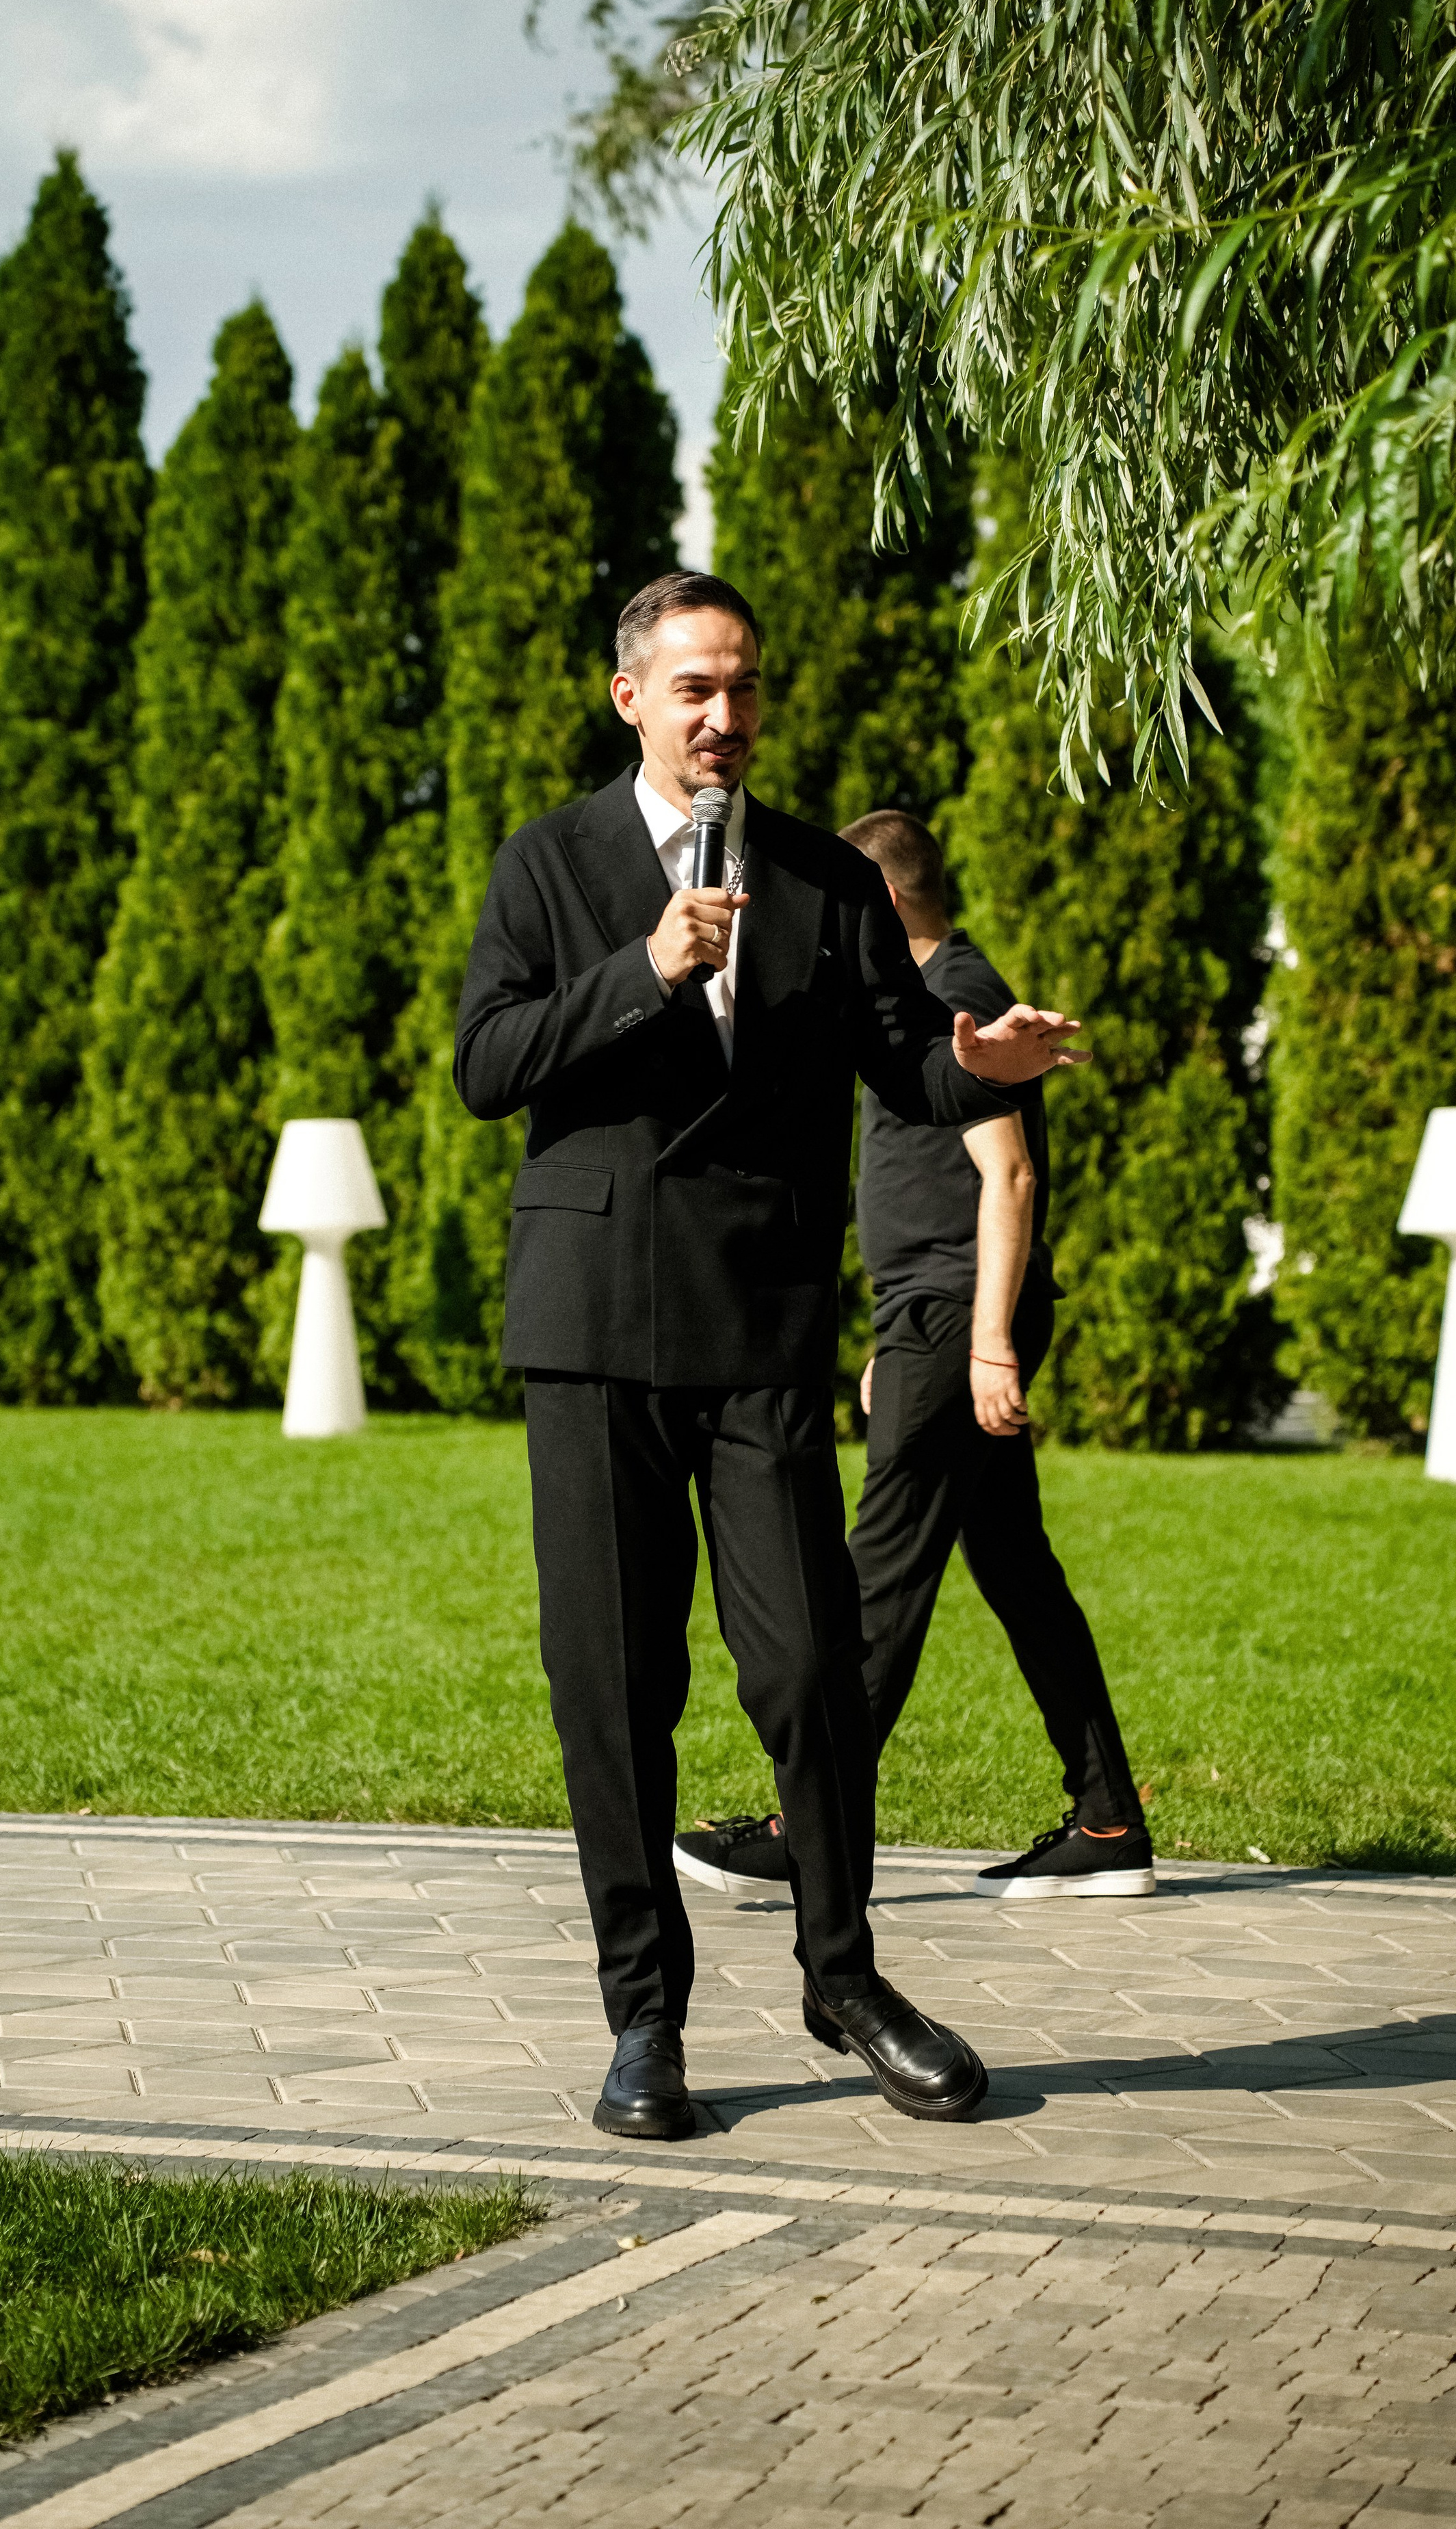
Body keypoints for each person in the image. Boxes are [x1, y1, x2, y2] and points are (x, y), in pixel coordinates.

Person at [454, 574, 1089, 2143]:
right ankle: (642, 2024)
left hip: (761, 1331)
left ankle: (842, 1975)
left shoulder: (822, 879)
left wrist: (975, 1065)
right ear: (630, 700)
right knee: (615, 1686)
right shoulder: (551, 862)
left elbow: (899, 1066)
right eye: (692, 691)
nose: (723, 718)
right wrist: (642, 972)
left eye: (740, 689)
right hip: (593, 1327)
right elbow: (486, 1063)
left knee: (809, 1668)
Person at [674, 809, 1151, 1909]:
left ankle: (810, 1830)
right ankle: (1108, 1819)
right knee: (1018, 1573)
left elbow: (1010, 1174)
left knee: (873, 1582)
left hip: (955, 1321)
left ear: (883, 904)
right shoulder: (930, 991)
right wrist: (912, 1336)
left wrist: (980, 1344)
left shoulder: (952, 993)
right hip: (933, 1321)